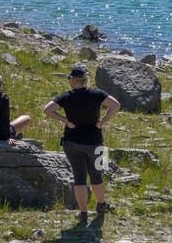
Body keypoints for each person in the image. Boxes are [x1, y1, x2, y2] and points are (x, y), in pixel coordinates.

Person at [43, 64, 120, 225]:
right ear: (84, 80)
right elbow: (116, 105)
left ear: (72, 79)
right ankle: (101, 204)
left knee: (79, 177)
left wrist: (65, 120)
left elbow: (47, 110)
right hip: (97, 141)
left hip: (72, 142)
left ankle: (83, 213)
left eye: (69, 78)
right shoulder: (97, 93)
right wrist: (102, 121)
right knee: (97, 175)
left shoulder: (66, 96)